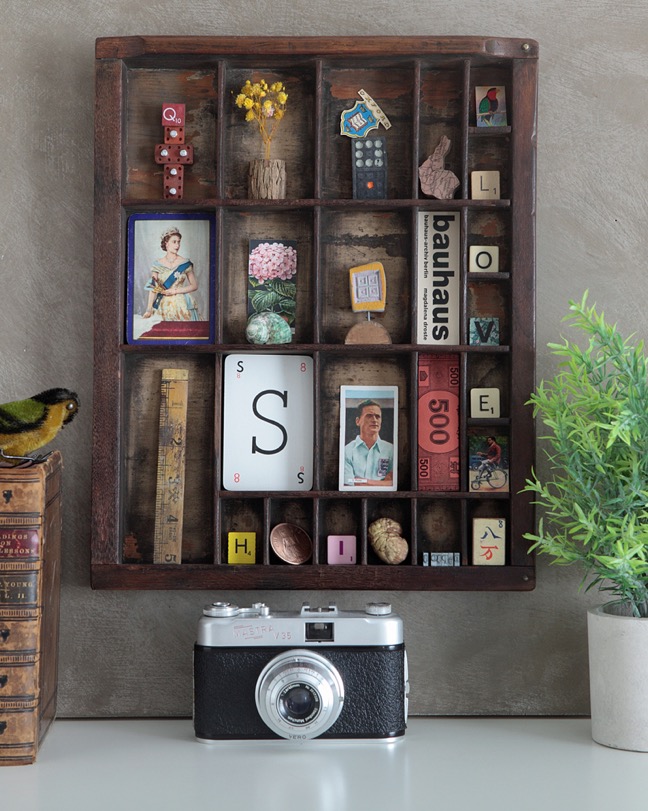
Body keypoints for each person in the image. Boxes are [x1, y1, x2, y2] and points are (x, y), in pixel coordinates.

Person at [143, 227, 201, 320]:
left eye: (179, 242)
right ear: (166, 243)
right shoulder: (157, 264)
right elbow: (153, 288)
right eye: (174, 242)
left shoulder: (185, 263)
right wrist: (149, 309)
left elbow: (194, 286)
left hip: (183, 304)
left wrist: (174, 291)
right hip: (162, 305)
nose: (177, 245)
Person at [343, 399, 394, 486]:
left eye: (377, 416)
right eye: (369, 416)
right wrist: (383, 483)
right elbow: (349, 484)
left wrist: (363, 481)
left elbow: (395, 483)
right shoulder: (346, 451)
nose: (374, 420)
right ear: (357, 421)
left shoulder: (391, 450)